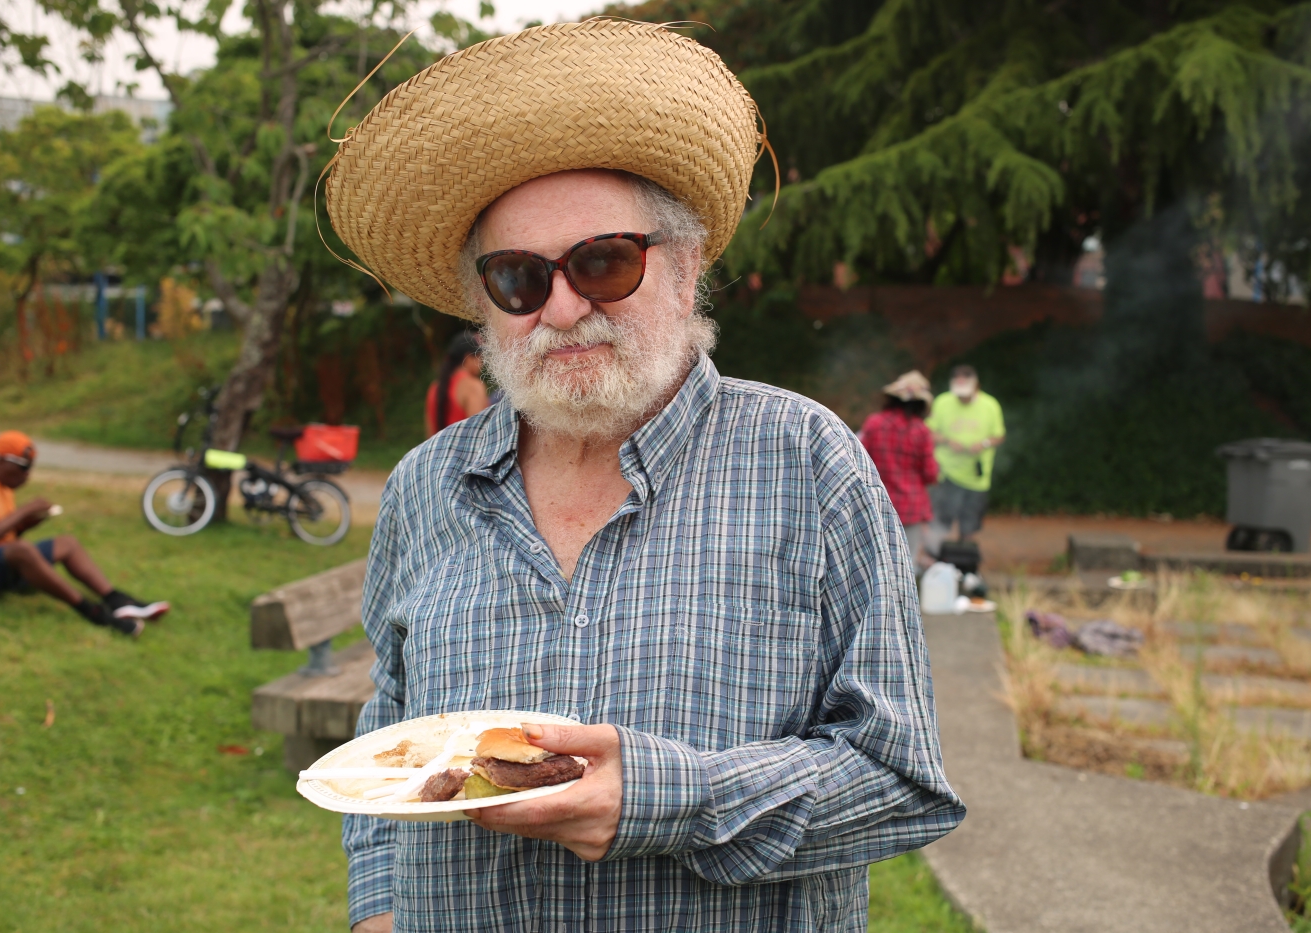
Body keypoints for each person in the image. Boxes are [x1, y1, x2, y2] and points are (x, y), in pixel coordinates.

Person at [325, 21, 963, 933]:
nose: (564, 306)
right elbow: (385, 729)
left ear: (687, 262)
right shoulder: (427, 487)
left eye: (604, 261)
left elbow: (901, 781)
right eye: (517, 278)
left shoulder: (809, 462)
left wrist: (667, 797)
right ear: (483, 305)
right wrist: (378, 908)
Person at [0, 431, 168, 635]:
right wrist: (24, 510)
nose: (27, 476)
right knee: (22, 551)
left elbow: (0, 541)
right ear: (0, 459)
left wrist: (23, 525)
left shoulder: (2, 485)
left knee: (66, 543)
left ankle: (116, 600)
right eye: (24, 467)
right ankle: (92, 612)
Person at [858, 371, 939, 573]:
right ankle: (902, 604)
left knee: (875, 561)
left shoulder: (874, 423)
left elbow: (858, 459)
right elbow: (930, 473)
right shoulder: (921, 431)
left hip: (877, 503)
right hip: (910, 507)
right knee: (905, 563)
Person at [925, 364, 1005, 555]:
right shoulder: (943, 402)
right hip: (945, 473)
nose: (961, 397)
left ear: (975, 385)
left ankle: (965, 563)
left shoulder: (990, 405)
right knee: (940, 523)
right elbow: (928, 431)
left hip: (976, 477)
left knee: (969, 525)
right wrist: (947, 441)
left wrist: (984, 443)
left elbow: (999, 435)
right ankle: (935, 562)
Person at [424, 331, 490, 436]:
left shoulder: (434, 388)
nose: (481, 363)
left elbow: (430, 435)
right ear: (468, 358)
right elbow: (479, 434)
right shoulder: (473, 386)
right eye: (480, 357)